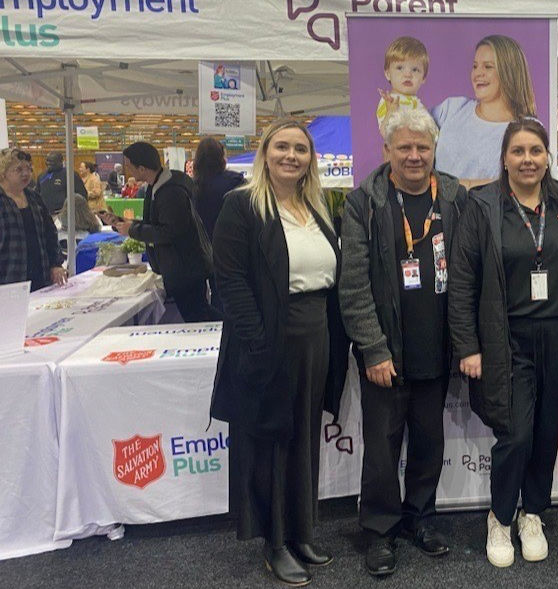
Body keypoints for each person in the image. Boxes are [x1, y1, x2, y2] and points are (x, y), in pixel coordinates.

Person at [210, 118, 349, 587]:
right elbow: (230, 280)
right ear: (265, 153)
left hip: (316, 336)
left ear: (312, 159)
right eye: (282, 147)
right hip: (270, 339)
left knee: (305, 436)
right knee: (271, 441)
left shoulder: (318, 206)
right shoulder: (242, 206)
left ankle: (301, 532)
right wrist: (258, 343)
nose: (292, 155)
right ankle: (274, 544)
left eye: (301, 149)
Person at [448, 118, 558, 568]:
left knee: (547, 431)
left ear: (548, 156)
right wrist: (468, 346)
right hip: (507, 338)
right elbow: (463, 281)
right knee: (516, 434)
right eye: (518, 151)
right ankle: (500, 516)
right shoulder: (483, 205)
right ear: (505, 158)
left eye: (535, 151)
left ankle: (533, 513)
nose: (527, 160)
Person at [339, 108, 466, 577]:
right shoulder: (364, 203)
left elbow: (467, 273)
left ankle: (420, 518)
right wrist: (372, 348)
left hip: (436, 348)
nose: (415, 156)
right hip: (385, 354)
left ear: (434, 150)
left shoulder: (453, 197)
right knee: (382, 449)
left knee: (430, 444)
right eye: (405, 148)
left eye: (423, 147)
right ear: (387, 150)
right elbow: (352, 285)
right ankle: (379, 531)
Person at [110, 142, 219, 322]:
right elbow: (159, 224)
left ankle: (233, 338)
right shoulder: (158, 187)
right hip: (180, 267)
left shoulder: (170, 192)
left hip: (184, 269)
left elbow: (169, 232)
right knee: (198, 313)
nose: (128, 171)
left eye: (130, 166)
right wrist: (128, 224)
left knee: (198, 315)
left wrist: (134, 230)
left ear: (142, 168)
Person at [432, 35, 537, 186]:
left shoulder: (527, 130)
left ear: (509, 72)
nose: (477, 73)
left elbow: (524, 185)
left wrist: (454, 188)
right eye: (475, 66)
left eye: (488, 67)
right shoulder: (452, 109)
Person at [0, 148, 67, 290]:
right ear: (3, 172)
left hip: (41, 277)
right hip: (8, 281)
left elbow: (50, 232)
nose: (26, 174)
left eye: (29, 169)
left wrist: (55, 264)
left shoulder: (34, 197)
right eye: (18, 170)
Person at [193, 137, 246, 240]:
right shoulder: (236, 181)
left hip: (201, 247)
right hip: (231, 242)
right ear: (221, 158)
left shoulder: (192, 186)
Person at [376, 36, 430, 132]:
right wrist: (391, 111)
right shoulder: (390, 101)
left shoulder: (417, 104)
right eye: (400, 68)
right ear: (388, 74)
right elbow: (385, 132)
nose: (408, 74)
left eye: (415, 70)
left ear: (423, 77)